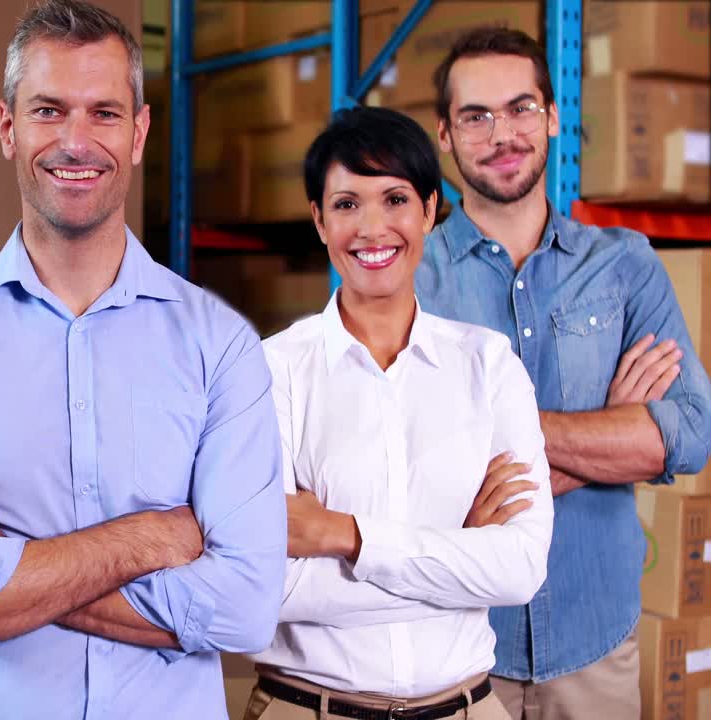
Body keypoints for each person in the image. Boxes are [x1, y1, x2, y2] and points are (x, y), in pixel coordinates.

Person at [0, 1, 287, 717]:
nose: (76, 140)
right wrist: (148, 536)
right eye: (49, 110)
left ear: (141, 131)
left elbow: (243, 611)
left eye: (105, 113)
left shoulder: (221, 347)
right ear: (8, 127)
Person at [416, 28, 711, 719]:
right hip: (450, 653)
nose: (502, 134)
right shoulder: (408, 280)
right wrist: (611, 430)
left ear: (552, 117)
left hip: (595, 646)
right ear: (444, 136)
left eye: (521, 108)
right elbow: (388, 480)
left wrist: (495, 444)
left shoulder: (625, 265)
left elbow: (691, 432)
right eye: (476, 116)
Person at [243, 106, 552, 720]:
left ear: (431, 209)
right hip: (307, 709)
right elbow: (266, 587)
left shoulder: (488, 367)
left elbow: (518, 572)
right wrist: (457, 560)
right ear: (319, 221)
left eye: (395, 199)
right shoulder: (268, 371)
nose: (373, 228)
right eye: (347, 204)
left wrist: (343, 535)